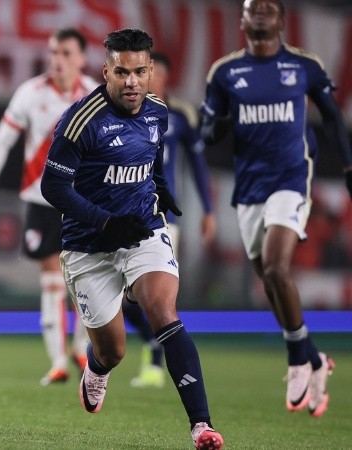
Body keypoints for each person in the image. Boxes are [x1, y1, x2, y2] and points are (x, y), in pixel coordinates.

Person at [41, 29, 223, 449]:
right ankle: (98, 368)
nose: (132, 82)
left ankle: (201, 426)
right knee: (115, 350)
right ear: (106, 71)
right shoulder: (79, 120)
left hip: (144, 230)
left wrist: (160, 186)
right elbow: (54, 187)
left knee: (163, 310)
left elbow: (153, 153)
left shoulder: (159, 112)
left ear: (151, 71)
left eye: (140, 71)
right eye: (122, 72)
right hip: (88, 245)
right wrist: (105, 223)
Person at [200, 0, 350, 418]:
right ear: (243, 20)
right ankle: (316, 358)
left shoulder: (304, 66)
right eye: (253, 7)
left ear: (283, 19)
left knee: (277, 268)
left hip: (291, 177)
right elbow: (207, 130)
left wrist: (349, 165)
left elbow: (334, 119)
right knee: (267, 282)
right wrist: (219, 124)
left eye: (270, 6)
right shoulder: (225, 72)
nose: (261, 11)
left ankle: (297, 358)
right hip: (249, 187)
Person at [0, 28, 99, 386]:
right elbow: (2, 142)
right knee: (51, 281)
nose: (56, 60)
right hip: (40, 198)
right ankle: (58, 361)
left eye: (64, 53)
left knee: (82, 281)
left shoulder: (94, 96)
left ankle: (79, 349)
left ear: (80, 58)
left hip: (82, 201)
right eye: (52, 52)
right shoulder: (30, 93)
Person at [123, 52, 216, 389]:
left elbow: (197, 164)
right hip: (122, 211)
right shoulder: (122, 111)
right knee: (121, 297)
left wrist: (208, 209)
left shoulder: (179, 115)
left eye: (159, 74)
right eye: (150, 73)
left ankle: (154, 363)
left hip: (163, 217)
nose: (154, 80)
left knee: (158, 298)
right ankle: (147, 343)